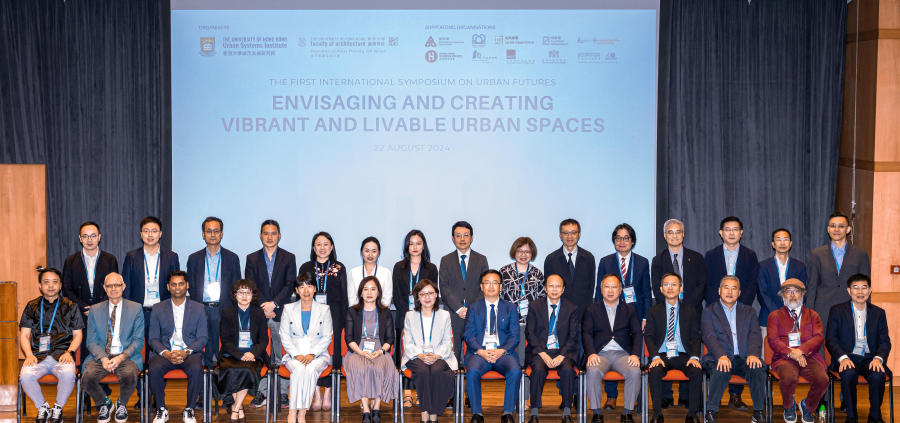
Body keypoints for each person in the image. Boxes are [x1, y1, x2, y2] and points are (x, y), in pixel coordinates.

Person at [62, 221, 119, 409]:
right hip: (80, 313)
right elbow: (67, 289)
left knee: (103, 349)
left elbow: (114, 287)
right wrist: (83, 306)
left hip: (104, 312)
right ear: (80, 238)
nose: (89, 239)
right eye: (85, 236)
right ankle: (86, 394)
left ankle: (102, 390)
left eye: (93, 236)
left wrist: (97, 307)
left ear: (99, 237)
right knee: (85, 351)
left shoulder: (110, 260)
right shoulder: (71, 261)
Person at [703, 216, 758, 410]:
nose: (731, 233)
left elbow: (752, 284)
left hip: (741, 310)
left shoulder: (750, 255)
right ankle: (715, 398)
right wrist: (719, 305)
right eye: (727, 229)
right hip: (717, 309)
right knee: (721, 350)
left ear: (741, 233)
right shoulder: (711, 255)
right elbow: (708, 283)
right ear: (721, 233)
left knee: (739, 350)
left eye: (735, 229)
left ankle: (735, 396)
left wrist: (739, 305)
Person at [187, 216, 242, 410]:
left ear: (222, 233)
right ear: (203, 234)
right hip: (201, 311)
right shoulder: (194, 258)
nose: (212, 234)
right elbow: (191, 287)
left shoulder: (232, 258)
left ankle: (227, 395)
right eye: (208, 231)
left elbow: (236, 288)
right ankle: (203, 395)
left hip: (224, 310)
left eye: (216, 230)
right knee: (203, 354)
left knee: (225, 353)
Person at [595, 223, 651, 410]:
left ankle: (634, 397)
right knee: (610, 350)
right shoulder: (605, 261)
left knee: (633, 356)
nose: (622, 241)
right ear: (614, 241)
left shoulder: (642, 262)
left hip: (634, 317)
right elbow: (598, 291)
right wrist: (598, 316)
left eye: (626, 238)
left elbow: (646, 292)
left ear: (632, 241)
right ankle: (611, 397)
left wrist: (645, 317)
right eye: (618, 238)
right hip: (610, 316)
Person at [650, 219, 705, 409]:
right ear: (665, 236)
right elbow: (656, 286)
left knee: (686, 350)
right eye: (670, 232)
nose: (674, 236)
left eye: (678, 232)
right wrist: (670, 304)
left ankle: (686, 397)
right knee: (664, 347)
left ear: (683, 234)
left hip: (691, 311)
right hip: (665, 310)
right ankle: (665, 396)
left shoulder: (696, 258)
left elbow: (701, 285)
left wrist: (684, 308)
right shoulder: (658, 260)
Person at [19, 267, 84, 423]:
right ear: (40, 286)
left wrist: (70, 352)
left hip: (62, 354)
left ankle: (58, 408)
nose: (50, 286)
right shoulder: (32, 306)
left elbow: (78, 335)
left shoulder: (71, 306)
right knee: (25, 377)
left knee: (68, 374)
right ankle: (42, 407)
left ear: (60, 285)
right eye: (46, 282)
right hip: (37, 355)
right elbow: (24, 335)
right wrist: (28, 354)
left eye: (54, 282)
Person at [244, 220, 297, 409]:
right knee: (261, 354)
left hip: (280, 312)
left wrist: (273, 304)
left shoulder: (289, 257)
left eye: (273, 233)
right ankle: (262, 392)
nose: (269, 237)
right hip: (259, 314)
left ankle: (283, 393)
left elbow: (290, 284)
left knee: (281, 354)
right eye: (266, 233)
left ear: (279, 236)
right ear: (260, 236)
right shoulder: (252, 258)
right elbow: (250, 285)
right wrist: (264, 306)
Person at [825, 274, 892, 423]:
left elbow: (884, 341)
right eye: (855, 288)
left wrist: (878, 358)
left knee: (878, 375)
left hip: (870, 358)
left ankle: (875, 417)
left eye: (864, 288)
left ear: (870, 290)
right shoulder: (836, 310)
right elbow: (831, 340)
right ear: (849, 291)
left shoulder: (879, 313)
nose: (860, 292)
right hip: (848, 357)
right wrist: (842, 358)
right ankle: (851, 417)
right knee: (848, 374)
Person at [700, 276, 766, 423]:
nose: (730, 292)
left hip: (743, 357)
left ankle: (758, 413)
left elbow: (755, 334)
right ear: (719, 290)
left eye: (734, 288)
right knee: (721, 369)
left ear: (739, 292)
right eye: (726, 288)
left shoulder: (749, 311)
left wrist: (753, 354)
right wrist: (721, 355)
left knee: (757, 368)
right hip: (718, 357)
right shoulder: (709, 311)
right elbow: (709, 336)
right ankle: (710, 412)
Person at [82, 273, 144, 423]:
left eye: (117, 285)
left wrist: (121, 357)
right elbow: (91, 340)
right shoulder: (95, 310)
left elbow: (138, 340)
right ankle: (105, 403)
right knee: (87, 378)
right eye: (109, 286)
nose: (114, 288)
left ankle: (121, 404)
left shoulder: (136, 308)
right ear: (104, 288)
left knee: (129, 376)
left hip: (125, 356)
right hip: (101, 356)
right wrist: (103, 358)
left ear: (124, 286)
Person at [147, 270, 208, 423]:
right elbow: (153, 338)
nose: (177, 287)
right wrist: (166, 353)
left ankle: (189, 409)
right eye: (173, 284)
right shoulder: (158, 308)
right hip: (165, 352)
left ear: (187, 285)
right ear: (168, 287)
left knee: (196, 368)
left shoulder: (199, 308)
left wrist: (186, 351)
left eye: (181, 284)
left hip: (189, 352)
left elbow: (203, 338)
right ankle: (161, 409)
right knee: (154, 368)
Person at [297, 231, 347, 411]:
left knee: (332, 352)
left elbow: (344, 296)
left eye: (326, 244)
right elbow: (301, 293)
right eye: (318, 244)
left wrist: (343, 321)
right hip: (311, 313)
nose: (322, 247)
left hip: (334, 314)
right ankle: (316, 393)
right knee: (314, 351)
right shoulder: (306, 267)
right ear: (313, 247)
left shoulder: (339, 267)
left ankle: (328, 393)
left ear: (331, 247)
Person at [582, 273, 642, 423]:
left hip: (623, 354)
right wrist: (591, 354)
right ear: (601, 289)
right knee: (593, 371)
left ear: (620, 289)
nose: (610, 290)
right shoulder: (591, 309)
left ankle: (627, 413)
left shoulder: (630, 309)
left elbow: (637, 333)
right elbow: (586, 333)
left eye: (614, 287)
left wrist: (635, 355)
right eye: (607, 287)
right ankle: (597, 413)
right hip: (600, 354)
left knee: (635, 372)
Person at [767, 279, 828, 423]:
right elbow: (773, 340)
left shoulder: (813, 315)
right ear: (782, 295)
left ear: (803, 294)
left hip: (809, 356)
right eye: (788, 291)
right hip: (784, 357)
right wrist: (791, 352)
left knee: (823, 380)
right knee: (788, 378)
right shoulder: (774, 315)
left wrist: (801, 351)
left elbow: (818, 338)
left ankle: (807, 406)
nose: (793, 295)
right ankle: (789, 406)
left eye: (796, 291)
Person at [464, 270, 521, 423]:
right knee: (472, 371)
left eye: (495, 283)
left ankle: (507, 413)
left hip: (503, 353)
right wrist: (481, 351)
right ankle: (477, 414)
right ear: (481, 287)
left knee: (515, 370)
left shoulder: (510, 307)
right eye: (487, 283)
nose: (491, 286)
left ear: (501, 286)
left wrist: (501, 351)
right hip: (479, 353)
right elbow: (468, 335)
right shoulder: (473, 307)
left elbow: (515, 337)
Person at [646, 273, 702, 423]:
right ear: (661, 289)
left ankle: (692, 414)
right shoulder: (653, 311)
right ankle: (657, 413)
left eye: (674, 284)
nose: (670, 288)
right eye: (666, 284)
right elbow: (649, 336)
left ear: (681, 288)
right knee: (655, 371)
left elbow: (696, 337)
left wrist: (694, 357)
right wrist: (655, 356)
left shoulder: (690, 311)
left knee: (697, 371)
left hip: (684, 355)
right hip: (662, 355)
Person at [344, 276, 400, 423]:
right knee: (362, 369)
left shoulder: (385, 312)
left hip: (379, 350)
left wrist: (380, 351)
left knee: (382, 369)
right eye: (366, 289)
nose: (369, 292)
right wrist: (361, 352)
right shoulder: (352, 311)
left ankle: (376, 407)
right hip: (357, 351)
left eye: (373, 289)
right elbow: (348, 338)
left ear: (378, 292)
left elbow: (390, 339)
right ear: (360, 292)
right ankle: (366, 409)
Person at [401, 279, 457, 423]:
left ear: (436, 295)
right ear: (417, 297)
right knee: (424, 371)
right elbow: (407, 341)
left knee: (437, 371)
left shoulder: (444, 315)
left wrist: (437, 355)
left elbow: (447, 341)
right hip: (415, 355)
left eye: (430, 293)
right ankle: (426, 415)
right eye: (422, 294)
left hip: (440, 355)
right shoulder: (410, 315)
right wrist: (420, 355)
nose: (427, 297)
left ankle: (432, 415)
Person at [807, 212, 871, 337]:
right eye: (833, 226)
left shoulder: (860, 254)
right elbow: (812, 286)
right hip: (823, 310)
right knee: (821, 347)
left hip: (851, 310)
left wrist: (866, 312)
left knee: (848, 346)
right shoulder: (817, 254)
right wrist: (809, 313)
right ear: (828, 229)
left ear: (848, 229)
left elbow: (865, 287)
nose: (836, 229)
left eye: (841, 226)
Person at [525, 274, 578, 423]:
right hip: (541, 351)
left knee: (568, 370)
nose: (554, 289)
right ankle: (534, 413)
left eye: (558, 286)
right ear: (545, 288)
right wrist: (542, 354)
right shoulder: (535, 306)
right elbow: (530, 333)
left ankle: (567, 412)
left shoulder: (571, 307)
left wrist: (562, 355)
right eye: (551, 286)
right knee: (538, 370)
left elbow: (573, 336)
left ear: (563, 289)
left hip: (563, 352)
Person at [281, 273, 334, 423]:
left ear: (315, 289)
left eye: (309, 286)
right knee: (298, 368)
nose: (306, 290)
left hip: (318, 354)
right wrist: (297, 355)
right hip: (294, 354)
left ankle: (302, 414)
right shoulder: (288, 309)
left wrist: (313, 354)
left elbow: (327, 336)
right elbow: (284, 335)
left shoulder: (324, 309)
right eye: (301, 287)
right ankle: (292, 413)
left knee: (310, 369)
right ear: (296, 290)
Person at [215, 279, 270, 423]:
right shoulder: (227, 313)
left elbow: (263, 340)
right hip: (231, 353)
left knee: (246, 370)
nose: (244, 296)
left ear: (253, 295)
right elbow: (225, 340)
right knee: (231, 370)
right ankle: (238, 408)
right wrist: (240, 355)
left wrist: (252, 353)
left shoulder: (259, 313)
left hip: (253, 354)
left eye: (248, 293)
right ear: (235, 294)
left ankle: (236, 408)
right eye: (241, 292)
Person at [499, 236, 545, 403]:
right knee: (513, 362)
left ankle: (524, 398)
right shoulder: (504, 272)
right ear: (514, 252)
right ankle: (513, 397)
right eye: (520, 251)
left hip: (531, 326)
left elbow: (542, 301)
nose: (523, 255)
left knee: (527, 363)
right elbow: (499, 300)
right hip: (510, 326)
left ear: (532, 253)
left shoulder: (537, 274)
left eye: (527, 251)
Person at [543, 219, 596, 356]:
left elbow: (591, 288)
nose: (569, 236)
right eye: (565, 233)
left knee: (581, 354)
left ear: (579, 234)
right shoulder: (551, 259)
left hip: (582, 314)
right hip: (559, 315)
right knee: (561, 355)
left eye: (573, 232)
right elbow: (548, 289)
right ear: (560, 235)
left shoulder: (588, 258)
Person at [439, 221, 489, 363]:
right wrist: (459, 309)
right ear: (453, 238)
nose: (462, 239)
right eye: (458, 235)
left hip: (475, 315)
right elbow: (444, 287)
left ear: (471, 238)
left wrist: (471, 309)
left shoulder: (481, 259)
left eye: (466, 235)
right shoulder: (445, 260)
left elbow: (484, 286)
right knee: (452, 357)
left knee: (474, 357)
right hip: (453, 315)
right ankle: (453, 379)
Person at [392, 230, 439, 353]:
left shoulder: (431, 268)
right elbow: (396, 295)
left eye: (418, 243)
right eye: (411, 244)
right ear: (407, 246)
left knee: (423, 350)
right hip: (403, 316)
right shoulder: (399, 267)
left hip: (425, 316)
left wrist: (419, 312)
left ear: (423, 246)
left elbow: (433, 294)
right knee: (403, 352)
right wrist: (409, 313)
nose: (415, 247)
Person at [757, 228, 807, 342]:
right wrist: (780, 313)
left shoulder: (800, 267)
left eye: (785, 239)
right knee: (768, 352)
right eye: (779, 240)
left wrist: (789, 312)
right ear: (773, 244)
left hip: (793, 318)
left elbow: (802, 292)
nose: (782, 243)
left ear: (790, 243)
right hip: (768, 317)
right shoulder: (763, 266)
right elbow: (762, 293)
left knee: (792, 351)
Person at [349, 236, 393, 308]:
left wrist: (379, 312)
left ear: (379, 252)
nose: (370, 254)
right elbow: (352, 299)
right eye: (367, 251)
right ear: (361, 252)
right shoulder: (353, 272)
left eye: (374, 251)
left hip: (380, 313)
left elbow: (387, 299)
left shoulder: (386, 272)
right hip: (358, 313)